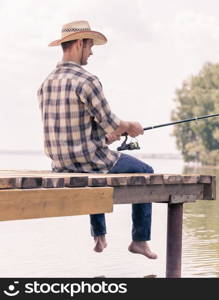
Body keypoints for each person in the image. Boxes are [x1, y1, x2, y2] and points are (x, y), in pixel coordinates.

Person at [37, 20, 157, 259]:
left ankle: (99, 235)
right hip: (90, 159)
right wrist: (131, 126)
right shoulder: (87, 80)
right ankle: (140, 240)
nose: (91, 52)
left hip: (59, 164)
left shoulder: (45, 84)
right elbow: (113, 122)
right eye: (90, 45)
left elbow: (73, 127)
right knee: (146, 173)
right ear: (80, 43)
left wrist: (105, 136)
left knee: (95, 175)